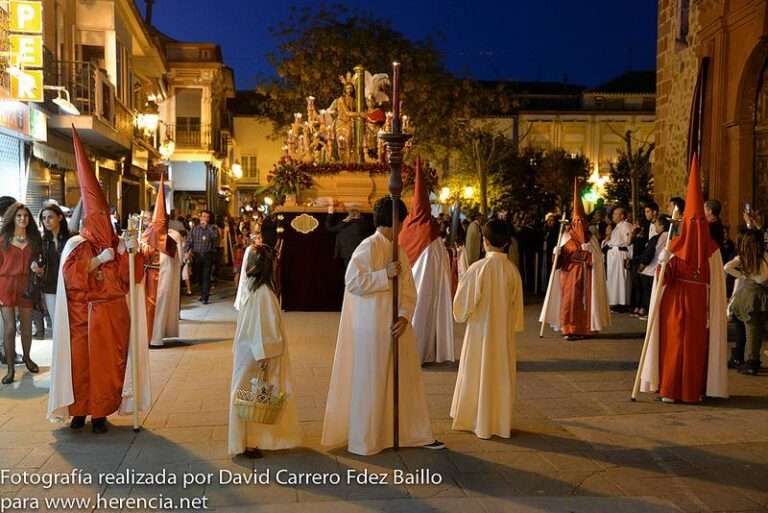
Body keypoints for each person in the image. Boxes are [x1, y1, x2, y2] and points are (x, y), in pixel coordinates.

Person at [321, 197, 444, 455]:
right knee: (372, 381)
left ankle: (410, 433)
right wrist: (383, 275)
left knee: (404, 380)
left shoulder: (396, 249)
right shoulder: (368, 247)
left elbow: (409, 288)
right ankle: (368, 438)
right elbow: (352, 281)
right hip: (371, 327)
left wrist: (404, 315)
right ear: (395, 221)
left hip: (395, 326)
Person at [47, 127, 150, 432]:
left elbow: (132, 278)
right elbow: (72, 277)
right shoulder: (76, 246)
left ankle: (101, 413)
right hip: (81, 320)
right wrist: (97, 261)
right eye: (97, 219)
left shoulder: (117, 245)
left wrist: (132, 252)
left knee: (107, 369)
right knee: (79, 367)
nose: (102, 223)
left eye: (105, 218)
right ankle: (79, 411)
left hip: (111, 319)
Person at [639, 157, 728, 403]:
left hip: (700, 310)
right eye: (692, 223)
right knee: (674, 346)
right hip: (675, 306)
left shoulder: (713, 251)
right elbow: (664, 279)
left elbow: (717, 287)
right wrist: (664, 263)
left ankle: (693, 389)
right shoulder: (674, 246)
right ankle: (670, 388)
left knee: (695, 349)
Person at [450, 219, 523, 439]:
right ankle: (498, 421)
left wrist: (464, 314)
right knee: (499, 375)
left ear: (485, 241)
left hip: (480, 333)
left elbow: (461, 307)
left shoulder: (478, 268)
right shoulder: (512, 270)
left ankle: (473, 418)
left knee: (476, 371)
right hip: (503, 335)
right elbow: (517, 310)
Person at [229, 244, 301, 457]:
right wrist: (264, 355)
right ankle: (251, 441)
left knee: (245, 394)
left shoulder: (252, 289)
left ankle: (243, 440)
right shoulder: (264, 294)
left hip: (247, 350)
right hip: (257, 354)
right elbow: (264, 327)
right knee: (254, 397)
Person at [398, 159, 455, 364]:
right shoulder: (432, 231)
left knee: (416, 308)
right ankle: (427, 350)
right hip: (430, 278)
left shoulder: (409, 227)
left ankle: (414, 351)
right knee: (428, 310)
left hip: (413, 278)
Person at [0, 203, 42, 383]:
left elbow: (41, 261)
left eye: (25, 215)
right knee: (9, 329)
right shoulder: (3, 240)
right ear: (12, 218)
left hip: (26, 285)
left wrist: (39, 269)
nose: (22, 219)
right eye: (18, 216)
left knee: (26, 327)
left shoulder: (34, 239)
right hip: (6, 283)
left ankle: (27, 357)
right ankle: (10, 368)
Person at [141, 179, 182, 348]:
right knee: (146, 308)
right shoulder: (144, 234)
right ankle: (146, 336)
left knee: (158, 307)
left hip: (161, 278)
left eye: (149, 219)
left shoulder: (172, 236)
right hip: (146, 276)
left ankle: (155, 337)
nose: (147, 222)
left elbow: (175, 259)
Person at [724, 229, 768, 375]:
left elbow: (727, 267)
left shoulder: (743, 257)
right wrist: (755, 278)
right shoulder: (764, 257)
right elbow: (763, 278)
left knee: (746, 329)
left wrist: (742, 275)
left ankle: (745, 358)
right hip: (756, 297)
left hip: (743, 296)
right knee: (753, 331)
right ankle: (752, 361)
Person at [38, 204, 72, 332]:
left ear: (60, 217)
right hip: (50, 286)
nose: (46, 221)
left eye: (50, 217)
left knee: (71, 322)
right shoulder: (43, 241)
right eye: (44, 218)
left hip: (70, 285)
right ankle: (58, 351)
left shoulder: (71, 238)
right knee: (56, 323)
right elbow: (40, 262)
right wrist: (38, 269)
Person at [637, 215, 671, 319]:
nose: (655, 227)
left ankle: (648, 312)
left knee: (648, 294)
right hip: (661, 270)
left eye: (656, 224)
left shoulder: (657, 238)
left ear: (661, 225)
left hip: (650, 270)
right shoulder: (671, 237)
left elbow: (649, 253)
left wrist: (642, 265)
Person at [602, 207, 633, 310]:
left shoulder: (626, 225)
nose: (613, 216)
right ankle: (614, 301)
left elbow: (629, 242)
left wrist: (629, 257)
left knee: (620, 279)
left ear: (622, 216)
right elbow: (609, 241)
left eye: (616, 214)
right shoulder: (616, 227)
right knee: (613, 279)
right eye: (613, 214)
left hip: (620, 255)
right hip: (613, 255)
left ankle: (622, 302)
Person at [185, 210, 219, 304]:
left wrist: (207, 227)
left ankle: (205, 297)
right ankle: (202, 293)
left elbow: (215, 238)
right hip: (197, 255)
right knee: (199, 276)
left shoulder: (212, 229)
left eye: (207, 217)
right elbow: (189, 241)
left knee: (206, 276)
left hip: (208, 255)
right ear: (200, 218)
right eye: (203, 216)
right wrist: (186, 251)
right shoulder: (194, 229)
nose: (205, 218)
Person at [325, 204, 373, 269]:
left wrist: (330, 213)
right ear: (358, 215)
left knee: (350, 273)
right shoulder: (362, 224)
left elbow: (329, 228)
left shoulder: (342, 225)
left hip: (346, 254)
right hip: (359, 253)